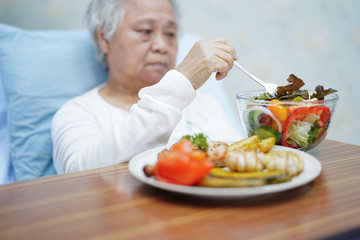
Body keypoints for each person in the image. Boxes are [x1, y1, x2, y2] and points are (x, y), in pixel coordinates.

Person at [51, 0, 241, 174]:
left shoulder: (206, 104)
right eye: (145, 31)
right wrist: (183, 80)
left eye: (170, 34)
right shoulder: (77, 112)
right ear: (104, 38)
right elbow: (79, 178)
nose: (161, 46)